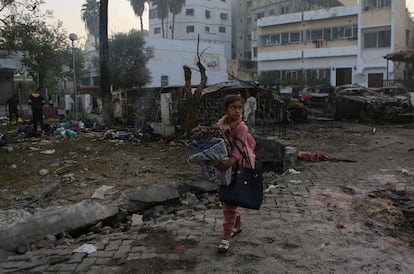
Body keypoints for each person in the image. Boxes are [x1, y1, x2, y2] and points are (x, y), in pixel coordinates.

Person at [215, 94, 257, 253]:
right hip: (222, 167)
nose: (238, 111)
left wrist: (228, 164)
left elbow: (238, 150)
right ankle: (237, 222)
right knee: (225, 200)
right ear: (226, 109)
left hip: (237, 167)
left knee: (229, 204)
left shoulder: (241, 127)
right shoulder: (221, 123)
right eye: (233, 107)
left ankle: (227, 237)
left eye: (240, 107)